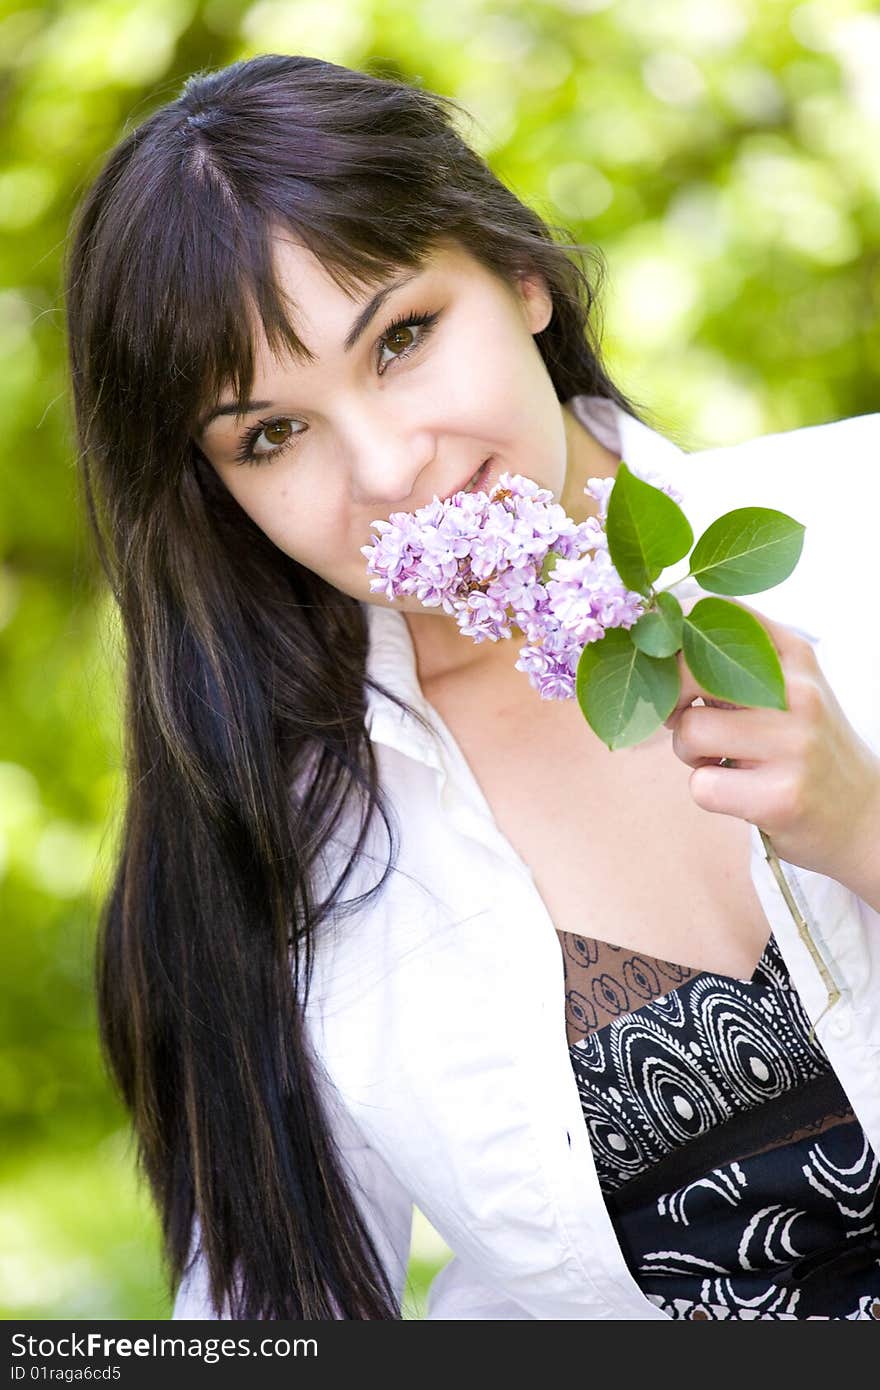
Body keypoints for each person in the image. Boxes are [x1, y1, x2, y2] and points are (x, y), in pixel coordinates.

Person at [63, 53, 880, 1321]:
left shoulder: (856, 520)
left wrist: (866, 829)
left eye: (401, 338)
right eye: (270, 433)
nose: (387, 467)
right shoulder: (279, 835)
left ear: (523, 277)